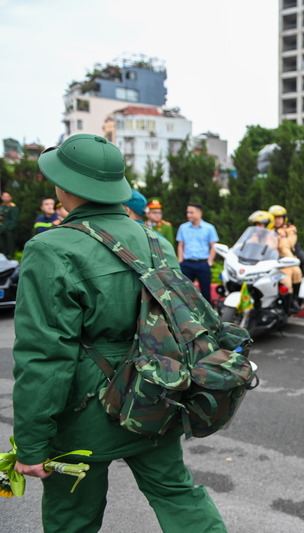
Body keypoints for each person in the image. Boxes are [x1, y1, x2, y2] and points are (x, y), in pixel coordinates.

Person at [12, 133, 226, 532]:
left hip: (82, 412)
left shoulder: (50, 248)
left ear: (65, 186)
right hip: (154, 394)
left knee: (72, 518)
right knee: (178, 495)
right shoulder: (155, 240)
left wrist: (32, 441)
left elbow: (44, 355)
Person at [176, 202, 219, 303]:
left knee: (205, 292)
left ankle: (207, 312)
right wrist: (180, 260)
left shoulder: (209, 228)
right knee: (185, 292)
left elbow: (214, 246)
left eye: (191, 212)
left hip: (203, 264)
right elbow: (180, 245)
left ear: (199, 213)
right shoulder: (183, 227)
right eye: (188, 212)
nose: (188, 215)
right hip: (187, 264)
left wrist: (210, 261)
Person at [269, 204, 303, 314]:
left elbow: (289, 243)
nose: (277, 220)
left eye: (279, 218)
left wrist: (281, 236)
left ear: (284, 218)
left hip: (285, 260)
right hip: (270, 260)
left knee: (296, 272)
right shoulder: (267, 230)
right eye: (275, 218)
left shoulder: (290, 229)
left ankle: (293, 301)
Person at [0, 191, 20, 258]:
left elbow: (14, 220)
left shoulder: (13, 207)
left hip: (9, 230)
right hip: (1, 230)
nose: (5, 198)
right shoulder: (1, 206)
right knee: (2, 246)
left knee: (9, 246)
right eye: (4, 196)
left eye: (7, 196)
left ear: (11, 197)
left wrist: (9, 228)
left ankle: (10, 258)